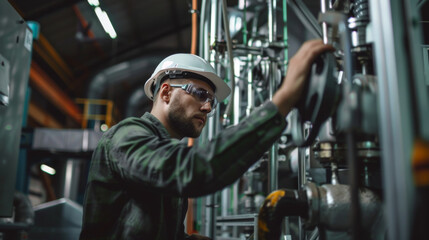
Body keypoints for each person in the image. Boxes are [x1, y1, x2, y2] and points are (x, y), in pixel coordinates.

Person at [79, 39, 333, 240]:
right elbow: (191, 170)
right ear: (166, 92)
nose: (208, 107)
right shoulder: (126, 136)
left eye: (211, 100)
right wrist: (283, 100)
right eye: (200, 94)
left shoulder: (162, 151)